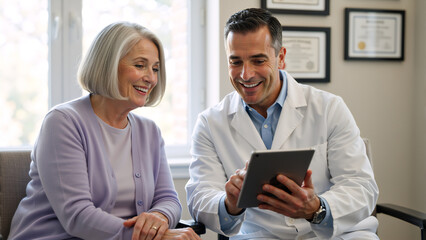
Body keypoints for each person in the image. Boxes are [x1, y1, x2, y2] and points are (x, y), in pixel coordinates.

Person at [186, 8, 379, 240]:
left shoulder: (329, 108)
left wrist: (317, 209)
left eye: (258, 60)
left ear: (281, 57)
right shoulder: (210, 123)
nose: (246, 74)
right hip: (259, 236)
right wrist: (228, 203)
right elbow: (199, 196)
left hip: (336, 235)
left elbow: (361, 186)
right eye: (235, 62)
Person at [8, 22, 200, 240]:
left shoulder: (150, 132)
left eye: (155, 68)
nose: (151, 78)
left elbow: (168, 198)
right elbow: (78, 217)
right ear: (108, 65)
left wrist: (159, 217)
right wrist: (158, 238)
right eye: (140, 65)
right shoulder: (63, 122)